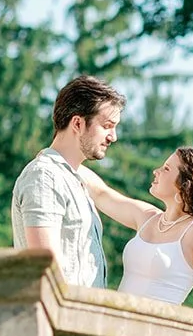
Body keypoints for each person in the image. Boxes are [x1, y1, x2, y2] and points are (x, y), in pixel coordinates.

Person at [80, 147, 193, 330]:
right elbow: (101, 193)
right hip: (114, 329)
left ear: (185, 184)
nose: (156, 171)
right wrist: (61, 157)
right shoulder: (148, 218)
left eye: (166, 168)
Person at [11, 75, 125, 287]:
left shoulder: (75, 180)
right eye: (107, 126)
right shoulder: (45, 177)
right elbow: (46, 270)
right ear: (78, 123)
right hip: (61, 318)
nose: (113, 136)